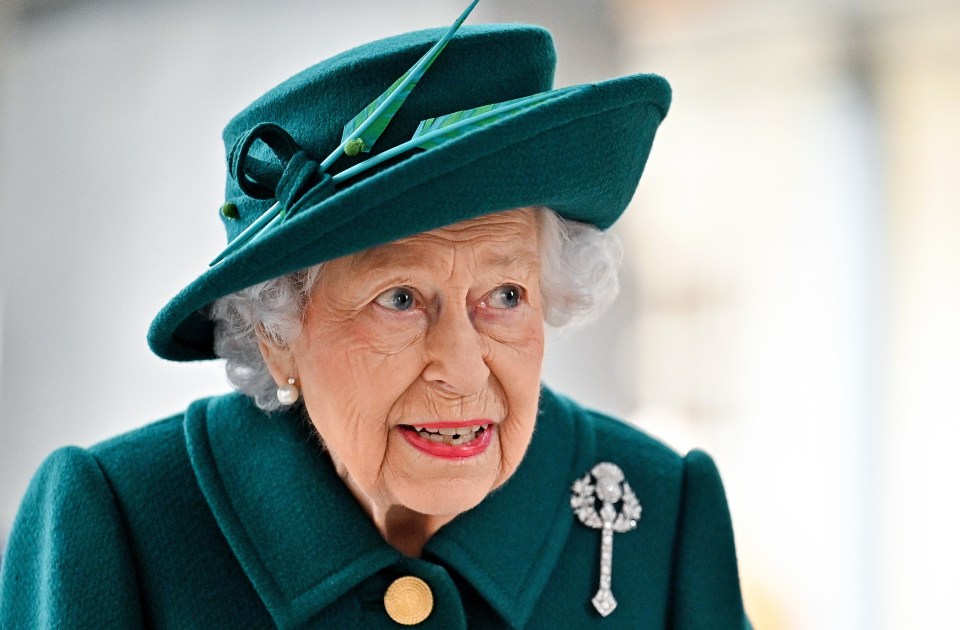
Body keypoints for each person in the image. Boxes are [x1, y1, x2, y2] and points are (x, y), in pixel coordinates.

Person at [0, 3, 750, 628]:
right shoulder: (118, 523)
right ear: (277, 331)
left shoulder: (659, 509)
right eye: (399, 299)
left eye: (505, 296)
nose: (462, 370)